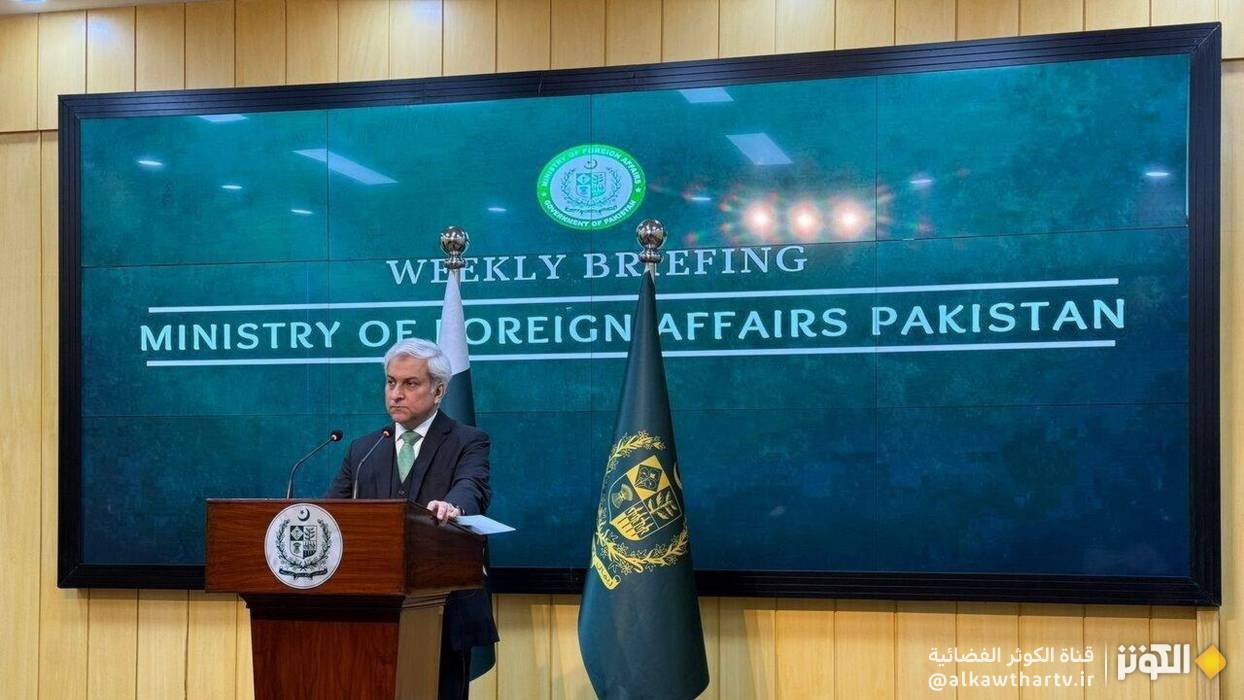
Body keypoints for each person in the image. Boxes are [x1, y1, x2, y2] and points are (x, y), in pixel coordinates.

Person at [325, 337, 498, 700]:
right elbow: (331, 514)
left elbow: (472, 487)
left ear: (439, 391)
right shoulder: (364, 449)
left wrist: (452, 506)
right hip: (369, 609)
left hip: (445, 611)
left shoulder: (468, 440)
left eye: (410, 383)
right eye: (391, 382)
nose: (396, 394)